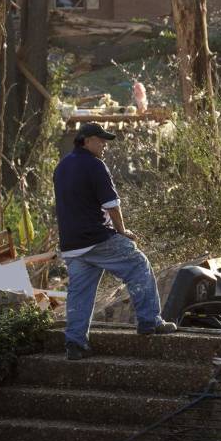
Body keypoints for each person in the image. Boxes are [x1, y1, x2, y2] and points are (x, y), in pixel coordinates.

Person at [54, 122, 175, 360]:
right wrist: (122, 231)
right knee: (138, 264)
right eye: (100, 141)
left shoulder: (62, 166)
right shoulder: (95, 165)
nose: (104, 146)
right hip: (97, 237)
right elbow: (111, 205)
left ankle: (75, 344)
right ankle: (150, 321)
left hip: (72, 244)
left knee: (80, 293)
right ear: (86, 140)